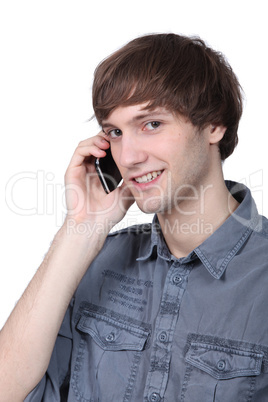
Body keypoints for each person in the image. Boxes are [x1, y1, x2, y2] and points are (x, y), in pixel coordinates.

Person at [1, 33, 268, 401]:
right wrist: (81, 230)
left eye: (151, 124)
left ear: (214, 124)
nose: (127, 157)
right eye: (115, 132)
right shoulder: (95, 260)